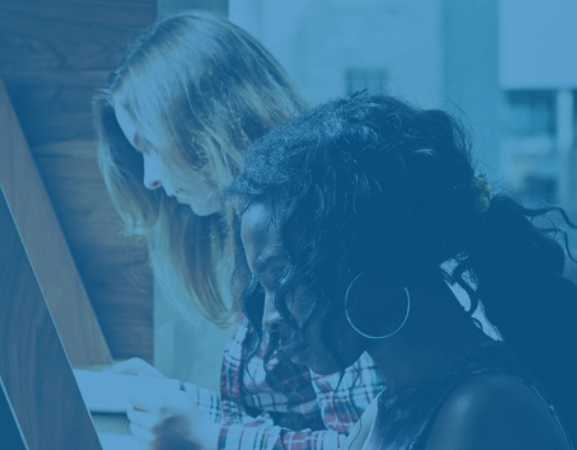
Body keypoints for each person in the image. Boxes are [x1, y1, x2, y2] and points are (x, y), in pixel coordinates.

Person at [226, 93, 577, 450]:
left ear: (362, 255)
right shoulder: (396, 401)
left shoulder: (480, 413)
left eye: (282, 279)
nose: (270, 317)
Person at [92, 12, 384, 450]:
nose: (150, 177)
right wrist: (176, 403)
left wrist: (206, 435)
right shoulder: (262, 232)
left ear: (200, 125)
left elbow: (368, 442)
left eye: (148, 146)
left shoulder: (313, 234)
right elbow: (281, 418)